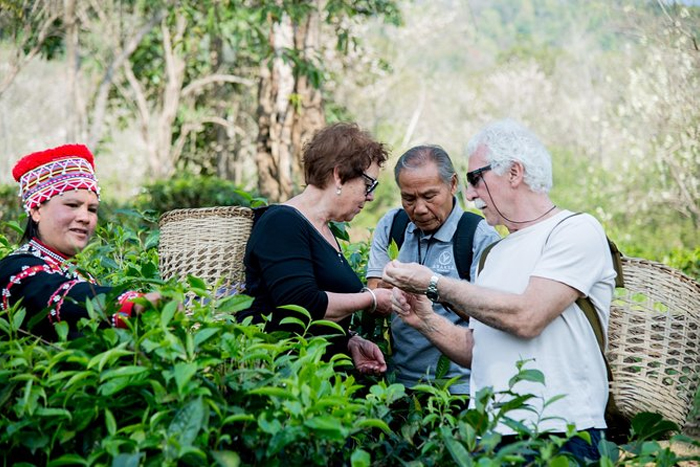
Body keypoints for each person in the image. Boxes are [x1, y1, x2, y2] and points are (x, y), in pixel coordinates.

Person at [383, 119, 616, 460]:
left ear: (514, 172)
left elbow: (527, 317)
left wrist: (434, 284)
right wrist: (424, 319)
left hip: (562, 431)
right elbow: (478, 349)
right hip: (492, 436)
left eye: (476, 178)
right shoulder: (494, 253)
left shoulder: (575, 230)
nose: (470, 193)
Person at [238, 123, 393, 375]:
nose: (370, 196)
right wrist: (372, 298)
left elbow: (319, 316)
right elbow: (302, 304)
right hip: (290, 380)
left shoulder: (324, 229)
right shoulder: (282, 222)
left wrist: (349, 341)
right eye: (369, 185)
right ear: (339, 175)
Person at [365, 145, 500, 393]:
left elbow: (492, 316)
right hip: (398, 385)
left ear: (453, 184)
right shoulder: (392, 226)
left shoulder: (478, 236)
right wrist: (390, 288)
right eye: (409, 198)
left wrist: (431, 288)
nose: (419, 209)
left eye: (429, 196)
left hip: (458, 388)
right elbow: (373, 293)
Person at [0, 144, 161, 340]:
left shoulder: (80, 273)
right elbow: (60, 296)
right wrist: (133, 303)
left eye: (92, 209)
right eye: (72, 205)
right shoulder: (15, 270)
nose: (85, 217)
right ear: (36, 210)